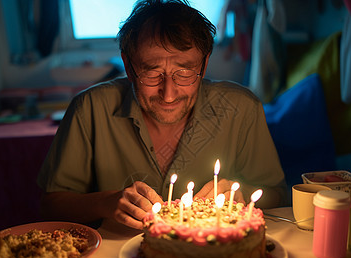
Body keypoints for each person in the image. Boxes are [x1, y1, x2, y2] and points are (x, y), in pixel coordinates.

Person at [37, 0, 286, 230]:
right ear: (128, 65)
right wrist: (106, 202)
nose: (168, 94)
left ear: (204, 63)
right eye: (152, 73)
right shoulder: (89, 108)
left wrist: (239, 194)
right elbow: (51, 205)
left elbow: (278, 196)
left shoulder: (242, 109)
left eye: (185, 72)